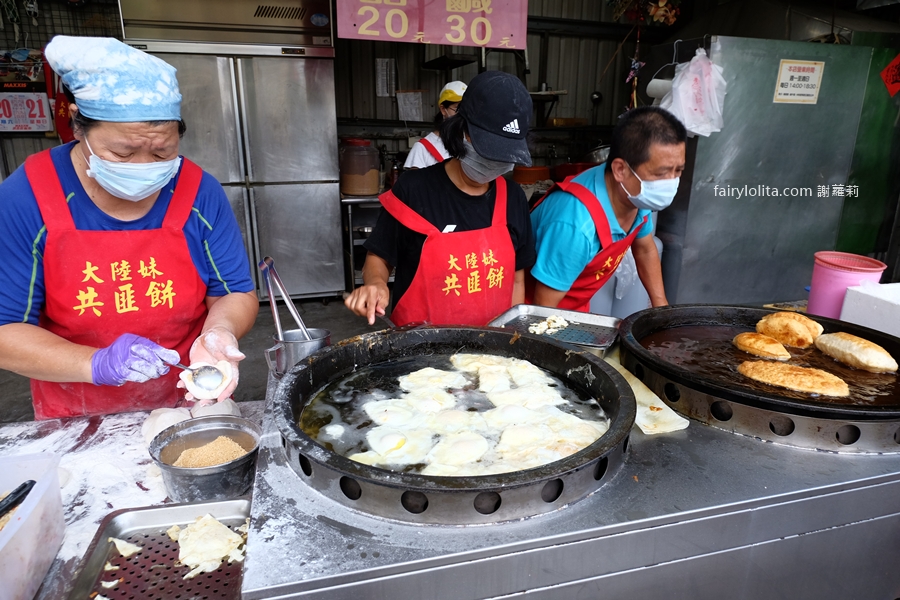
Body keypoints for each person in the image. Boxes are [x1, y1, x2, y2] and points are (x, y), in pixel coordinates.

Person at [0, 36, 258, 420]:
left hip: (190, 399)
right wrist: (98, 364)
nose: (142, 165)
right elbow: (6, 332)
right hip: (79, 413)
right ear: (77, 126)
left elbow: (234, 292)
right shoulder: (28, 196)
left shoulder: (198, 191)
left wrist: (218, 333)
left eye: (161, 152)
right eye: (122, 152)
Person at [345, 71, 536, 327]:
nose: (493, 163)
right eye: (488, 150)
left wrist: (513, 342)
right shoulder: (414, 190)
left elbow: (517, 280)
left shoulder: (513, 199)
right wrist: (376, 284)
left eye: (504, 156)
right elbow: (379, 257)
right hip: (419, 355)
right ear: (461, 130)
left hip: (492, 357)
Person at [527, 106, 686, 311]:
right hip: (536, 313)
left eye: (678, 171)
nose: (671, 182)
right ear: (620, 169)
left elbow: (645, 249)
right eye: (661, 174)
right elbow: (543, 308)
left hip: (575, 309)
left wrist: (661, 309)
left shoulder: (635, 194)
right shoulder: (576, 225)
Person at [403, 81, 466, 169]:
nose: (463, 115)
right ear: (443, 109)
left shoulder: (472, 145)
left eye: (467, 109)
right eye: (458, 108)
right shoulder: (422, 149)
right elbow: (414, 182)